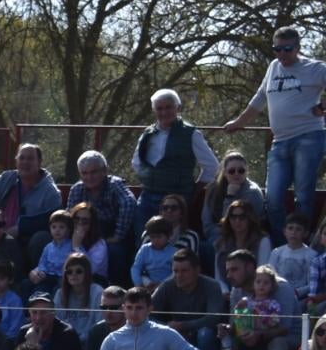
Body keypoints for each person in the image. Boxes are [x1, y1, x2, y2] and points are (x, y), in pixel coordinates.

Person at [218, 25, 326, 237]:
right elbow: (259, 99)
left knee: (303, 197)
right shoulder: (273, 67)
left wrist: (323, 107)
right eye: (277, 49)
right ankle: (280, 244)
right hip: (280, 141)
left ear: (297, 48)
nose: (282, 54)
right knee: (274, 199)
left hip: (308, 137)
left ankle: (300, 244)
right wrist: (239, 122)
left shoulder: (315, 68)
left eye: (287, 49)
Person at [130, 90, 220, 233]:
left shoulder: (191, 134)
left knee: (174, 241)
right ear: (154, 110)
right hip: (147, 196)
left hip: (177, 200)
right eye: (159, 108)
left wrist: (195, 189)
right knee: (141, 239)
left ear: (178, 108)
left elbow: (212, 166)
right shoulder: (148, 134)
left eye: (168, 107)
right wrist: (149, 178)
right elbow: (136, 163)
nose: (164, 112)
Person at [0, 141, 67, 241]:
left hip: (26, 240)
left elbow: (55, 220)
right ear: (16, 161)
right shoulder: (6, 179)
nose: (25, 162)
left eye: (30, 158)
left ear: (39, 162)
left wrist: (21, 228)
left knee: (40, 238)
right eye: (22, 158)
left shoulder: (50, 192)